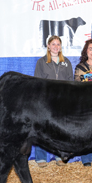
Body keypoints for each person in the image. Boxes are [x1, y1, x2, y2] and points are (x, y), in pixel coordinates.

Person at [33, 35, 73, 168]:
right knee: (42, 129)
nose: (56, 47)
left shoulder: (66, 62)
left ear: (61, 47)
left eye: (58, 44)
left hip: (62, 101)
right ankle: (41, 157)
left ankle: (60, 155)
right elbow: (37, 82)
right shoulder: (41, 62)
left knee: (60, 130)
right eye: (53, 44)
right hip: (45, 100)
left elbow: (70, 82)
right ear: (48, 46)